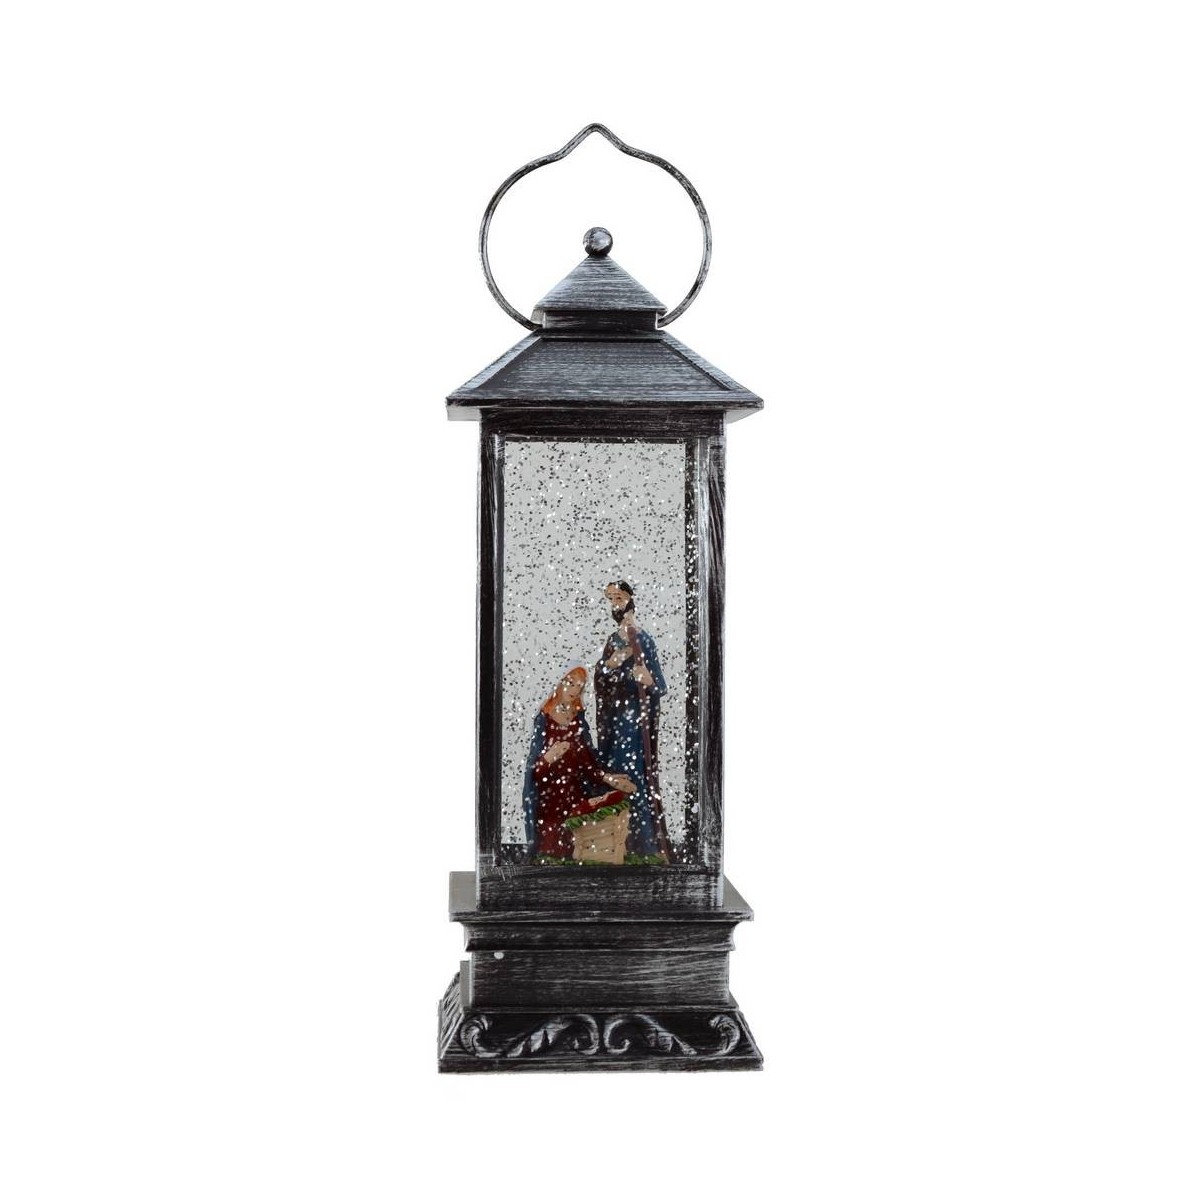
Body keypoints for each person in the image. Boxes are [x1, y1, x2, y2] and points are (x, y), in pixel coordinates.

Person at [522, 667, 636, 862]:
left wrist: (606, 778)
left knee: (583, 844)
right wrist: (548, 758)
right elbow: (534, 773)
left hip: (575, 795)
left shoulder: (578, 721)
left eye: (579, 686)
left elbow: (587, 764)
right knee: (554, 853)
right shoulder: (544, 720)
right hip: (550, 803)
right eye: (570, 683)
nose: (574, 690)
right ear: (558, 683)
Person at [593, 582, 671, 862]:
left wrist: (647, 680)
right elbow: (601, 679)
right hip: (614, 720)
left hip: (635, 723)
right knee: (614, 772)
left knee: (634, 775)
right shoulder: (613, 641)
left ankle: (642, 845)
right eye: (611, 599)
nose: (615, 603)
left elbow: (659, 685)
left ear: (630, 600)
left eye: (619, 597)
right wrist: (610, 665)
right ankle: (611, 843)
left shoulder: (643, 640)